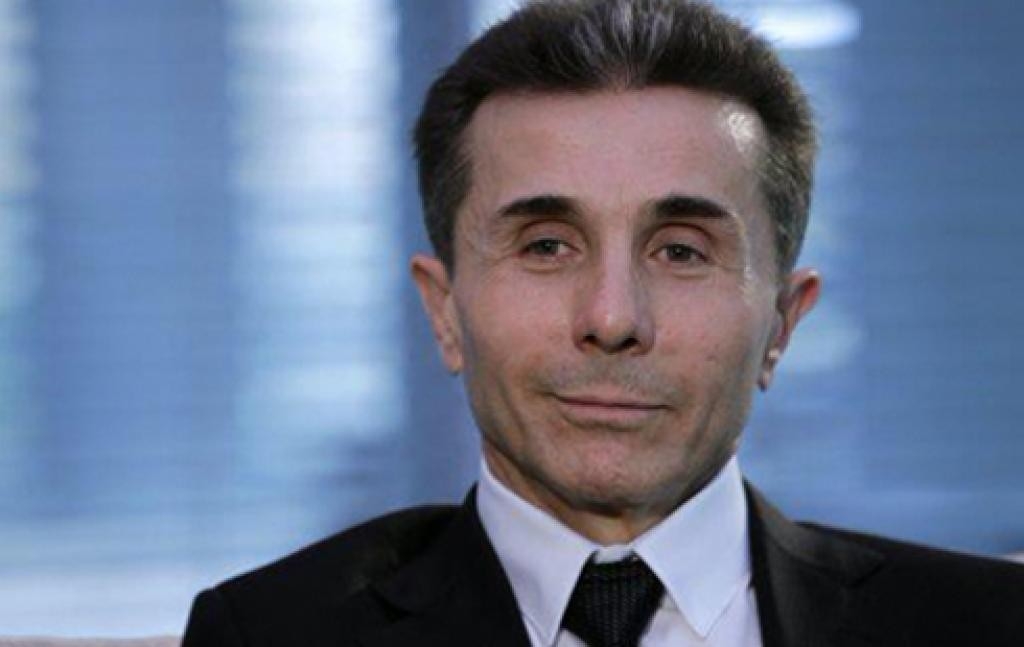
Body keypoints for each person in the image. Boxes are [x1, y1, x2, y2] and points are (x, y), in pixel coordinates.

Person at [182, 1, 1024, 645]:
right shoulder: (269, 633)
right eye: (546, 245)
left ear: (782, 322)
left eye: (682, 250)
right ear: (444, 311)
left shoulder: (989, 624)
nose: (612, 317)